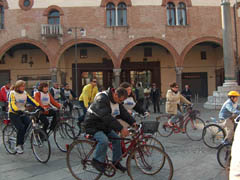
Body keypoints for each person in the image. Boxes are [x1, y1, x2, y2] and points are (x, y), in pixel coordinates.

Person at [84, 87, 136, 173]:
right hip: (92, 124)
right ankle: (97, 161)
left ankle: (116, 162)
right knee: (103, 140)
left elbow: (123, 112)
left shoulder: (116, 100)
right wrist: (121, 128)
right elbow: (106, 116)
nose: (120, 103)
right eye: (120, 100)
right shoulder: (102, 98)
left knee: (117, 140)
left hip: (104, 125)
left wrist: (133, 122)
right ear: (115, 95)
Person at [8, 80, 41, 154]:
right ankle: (18, 145)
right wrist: (17, 110)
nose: (24, 87)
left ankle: (21, 138)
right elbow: (12, 104)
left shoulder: (25, 93)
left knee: (29, 124)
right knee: (21, 128)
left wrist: (39, 106)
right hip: (14, 113)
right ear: (17, 87)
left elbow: (32, 100)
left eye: (24, 86)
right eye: (22, 86)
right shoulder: (12, 93)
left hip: (22, 112)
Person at [229, 115, 240, 180]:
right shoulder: (228, 104)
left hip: (232, 119)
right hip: (225, 118)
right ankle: (225, 140)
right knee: (230, 131)